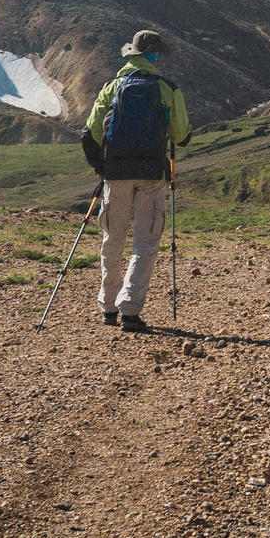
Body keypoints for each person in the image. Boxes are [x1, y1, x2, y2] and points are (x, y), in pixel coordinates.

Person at [82, 30, 191, 330]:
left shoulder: (112, 86)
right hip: (152, 174)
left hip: (115, 174)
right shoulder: (168, 89)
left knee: (112, 239)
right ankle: (130, 309)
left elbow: (90, 132)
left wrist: (101, 168)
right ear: (154, 56)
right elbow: (181, 137)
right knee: (144, 241)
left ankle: (107, 307)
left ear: (132, 54)